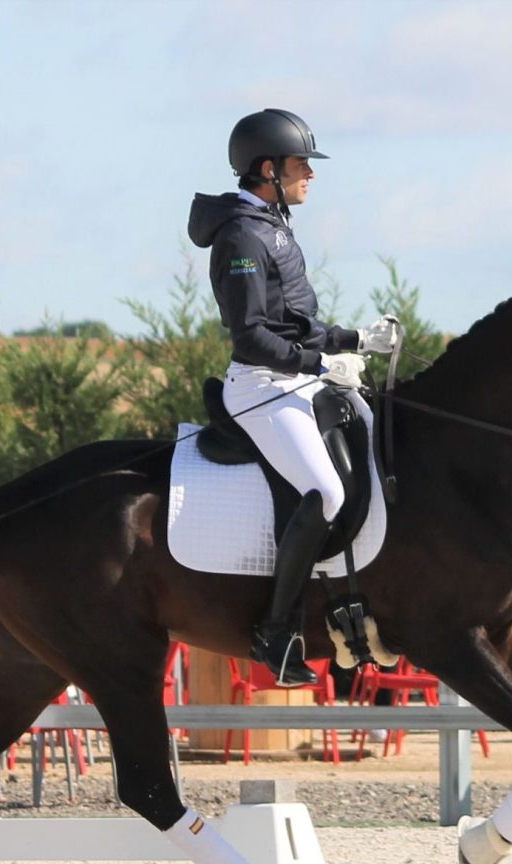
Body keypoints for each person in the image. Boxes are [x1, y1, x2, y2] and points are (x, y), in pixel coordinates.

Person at [188, 108, 398, 685]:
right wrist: (323, 362)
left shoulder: (273, 225)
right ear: (267, 168)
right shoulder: (241, 235)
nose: (310, 172)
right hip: (261, 387)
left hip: (296, 378)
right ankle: (276, 633)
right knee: (323, 490)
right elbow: (253, 336)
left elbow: (297, 324)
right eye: (301, 162)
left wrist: (356, 339)